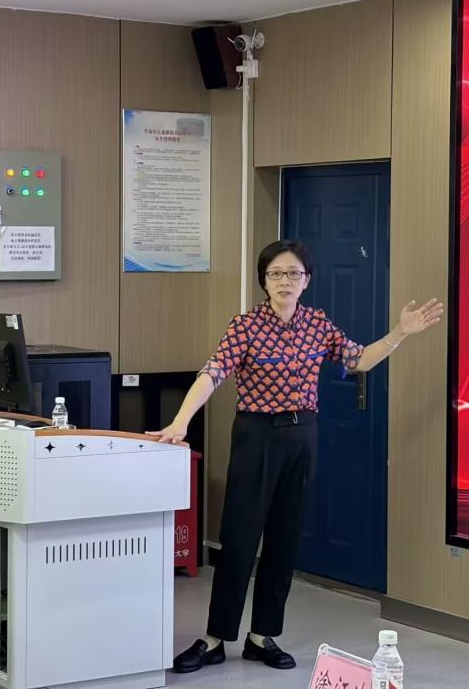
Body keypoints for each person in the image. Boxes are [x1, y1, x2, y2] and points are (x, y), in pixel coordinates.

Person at [151, 239, 443, 674]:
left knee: (285, 539)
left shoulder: (318, 324)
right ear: (264, 280)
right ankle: (214, 639)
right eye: (276, 273)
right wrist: (181, 421)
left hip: (302, 434)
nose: (285, 281)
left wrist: (400, 332)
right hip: (256, 434)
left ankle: (262, 636)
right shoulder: (245, 326)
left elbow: (359, 360)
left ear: (307, 280)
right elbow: (213, 373)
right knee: (239, 539)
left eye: (293, 273)